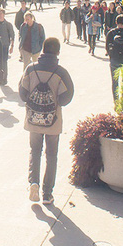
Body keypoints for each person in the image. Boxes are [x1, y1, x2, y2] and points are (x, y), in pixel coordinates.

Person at [19, 38, 74, 205]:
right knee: (51, 155)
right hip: (53, 120)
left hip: (34, 119)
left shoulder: (31, 68)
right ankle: (47, 193)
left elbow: (22, 93)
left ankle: (33, 183)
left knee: (34, 151)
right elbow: (67, 96)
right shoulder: (61, 72)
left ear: (42, 50)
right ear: (57, 52)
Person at [0, 8, 15, 85]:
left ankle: (4, 78)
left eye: (1, 13)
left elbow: (12, 36)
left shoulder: (8, 25)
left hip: (5, 45)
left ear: (4, 14)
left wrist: (12, 46)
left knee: (4, 62)